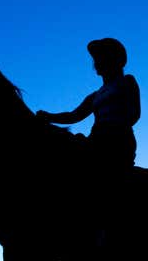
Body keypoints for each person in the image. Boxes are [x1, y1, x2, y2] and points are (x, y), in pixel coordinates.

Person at [37, 38, 140, 171]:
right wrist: (48, 117)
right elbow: (74, 115)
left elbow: (135, 114)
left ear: (116, 59)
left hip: (118, 140)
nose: (97, 62)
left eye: (102, 56)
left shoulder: (127, 81)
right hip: (96, 138)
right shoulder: (95, 96)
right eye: (96, 58)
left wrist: (113, 131)